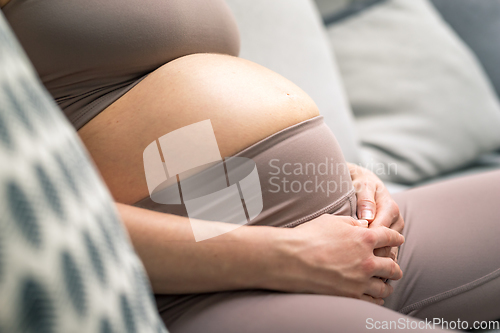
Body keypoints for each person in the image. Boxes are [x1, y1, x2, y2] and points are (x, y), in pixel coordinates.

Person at [2, 1, 499, 332]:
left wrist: (344, 174)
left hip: (351, 233)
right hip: (207, 291)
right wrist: (291, 256)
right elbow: (24, 220)